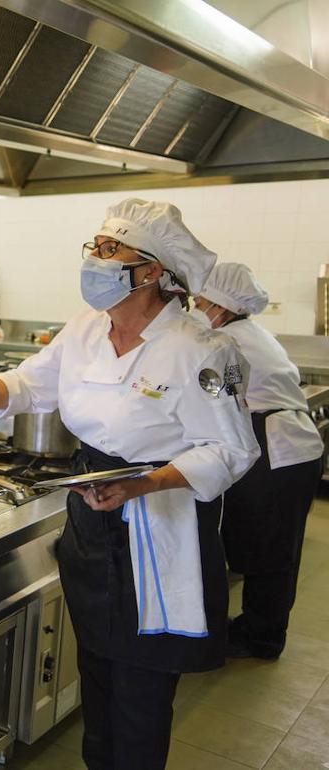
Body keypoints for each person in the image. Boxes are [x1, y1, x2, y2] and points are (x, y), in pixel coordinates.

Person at [0, 199, 258, 770]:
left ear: (152, 270)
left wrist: (143, 485)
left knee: (140, 691)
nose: (96, 259)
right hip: (92, 518)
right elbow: (28, 388)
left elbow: (233, 449)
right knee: (98, 674)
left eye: (112, 250)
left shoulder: (199, 348)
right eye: (96, 247)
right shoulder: (83, 330)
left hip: (160, 526)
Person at [190, 262, 324, 660]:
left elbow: (213, 394)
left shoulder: (229, 343)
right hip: (291, 448)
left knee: (269, 550)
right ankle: (259, 628)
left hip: (277, 449)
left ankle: (260, 637)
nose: (195, 307)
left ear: (222, 306)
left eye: (200, 300)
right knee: (276, 547)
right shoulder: (249, 332)